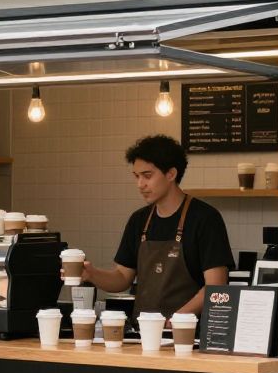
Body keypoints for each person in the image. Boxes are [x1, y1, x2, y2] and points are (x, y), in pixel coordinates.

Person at [84, 135, 234, 320]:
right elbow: (122, 278)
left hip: (189, 335)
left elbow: (216, 286)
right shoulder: (139, 220)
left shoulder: (205, 218)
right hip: (144, 334)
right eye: (137, 177)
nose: (140, 184)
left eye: (147, 176)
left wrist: (176, 320)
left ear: (171, 174)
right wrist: (91, 274)